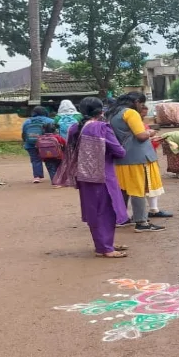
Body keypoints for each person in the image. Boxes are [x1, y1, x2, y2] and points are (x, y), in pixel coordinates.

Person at [53, 97, 130, 258]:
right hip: (103, 175)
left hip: (84, 175)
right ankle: (106, 248)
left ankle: (104, 244)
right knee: (107, 210)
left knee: (94, 211)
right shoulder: (102, 128)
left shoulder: (75, 128)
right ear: (101, 111)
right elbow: (119, 151)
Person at [107, 92, 168, 232]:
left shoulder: (112, 113)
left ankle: (120, 218)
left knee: (124, 189)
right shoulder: (130, 113)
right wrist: (151, 133)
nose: (142, 107)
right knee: (138, 189)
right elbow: (141, 135)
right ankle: (141, 222)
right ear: (135, 101)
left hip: (120, 157)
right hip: (138, 156)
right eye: (141, 103)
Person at [21, 106, 56, 183]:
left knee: (35, 160)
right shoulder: (50, 120)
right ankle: (54, 177)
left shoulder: (27, 122)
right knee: (49, 160)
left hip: (31, 144)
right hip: (46, 145)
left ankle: (37, 177)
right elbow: (54, 133)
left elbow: (24, 134)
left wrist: (25, 142)